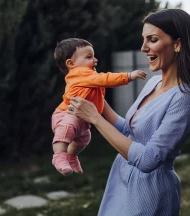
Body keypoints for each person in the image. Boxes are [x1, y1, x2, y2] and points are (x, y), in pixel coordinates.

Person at [68, 9, 190, 215]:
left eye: (153, 39)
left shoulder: (185, 98)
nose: (143, 48)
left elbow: (149, 159)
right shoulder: (153, 83)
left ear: (177, 44)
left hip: (150, 191)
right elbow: (131, 131)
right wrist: (97, 101)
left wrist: (94, 118)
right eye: (144, 40)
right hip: (121, 179)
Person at [52, 38, 147, 176]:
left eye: (94, 56)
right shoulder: (80, 73)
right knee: (67, 128)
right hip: (66, 114)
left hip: (82, 119)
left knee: (84, 139)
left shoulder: (88, 77)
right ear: (71, 64)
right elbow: (106, 79)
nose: (95, 60)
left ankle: (71, 156)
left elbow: (99, 98)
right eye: (89, 57)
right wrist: (128, 76)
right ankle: (59, 156)